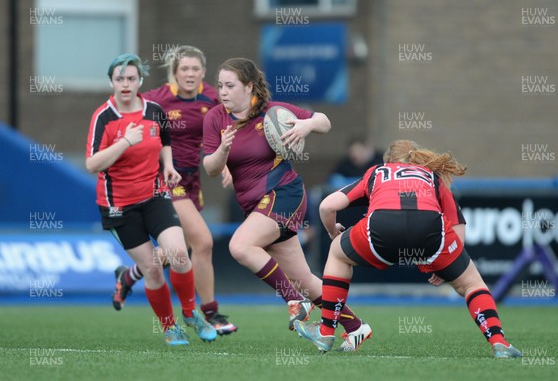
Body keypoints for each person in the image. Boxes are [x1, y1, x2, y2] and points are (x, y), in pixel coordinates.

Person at [294, 140, 522, 359]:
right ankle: (499, 342)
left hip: (382, 226)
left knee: (337, 253)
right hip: (430, 229)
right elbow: (457, 227)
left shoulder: (378, 171)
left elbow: (327, 205)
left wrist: (334, 232)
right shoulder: (433, 177)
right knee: (472, 284)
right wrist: (442, 264)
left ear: (388, 160)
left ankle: (325, 332)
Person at [203, 58, 371, 351]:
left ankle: (293, 299)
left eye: (230, 85)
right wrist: (221, 150)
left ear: (249, 87)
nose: (223, 91)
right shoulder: (215, 118)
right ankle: (356, 327)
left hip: (285, 194)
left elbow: (324, 121)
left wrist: (306, 125)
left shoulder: (272, 111)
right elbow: (211, 168)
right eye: (220, 85)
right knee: (304, 278)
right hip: (255, 205)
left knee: (240, 246)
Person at [86, 54, 217, 345]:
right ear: (112, 82)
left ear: (140, 82)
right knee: (153, 271)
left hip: (155, 195)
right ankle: (169, 327)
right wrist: (124, 142)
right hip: (118, 206)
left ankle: (190, 314)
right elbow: (92, 164)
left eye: (131, 78)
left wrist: (168, 165)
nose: (125, 84)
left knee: (179, 254)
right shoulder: (103, 117)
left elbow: (165, 140)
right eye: (120, 79)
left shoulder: (154, 110)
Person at [110, 46, 237, 336]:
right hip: (164, 180)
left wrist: (227, 163)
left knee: (174, 250)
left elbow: (223, 131)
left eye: (195, 69)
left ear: (204, 72)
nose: (190, 74)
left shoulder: (213, 98)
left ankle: (128, 276)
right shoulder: (157, 99)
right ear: (174, 73)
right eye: (184, 69)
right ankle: (211, 313)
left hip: (193, 182)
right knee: (203, 242)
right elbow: (127, 116)